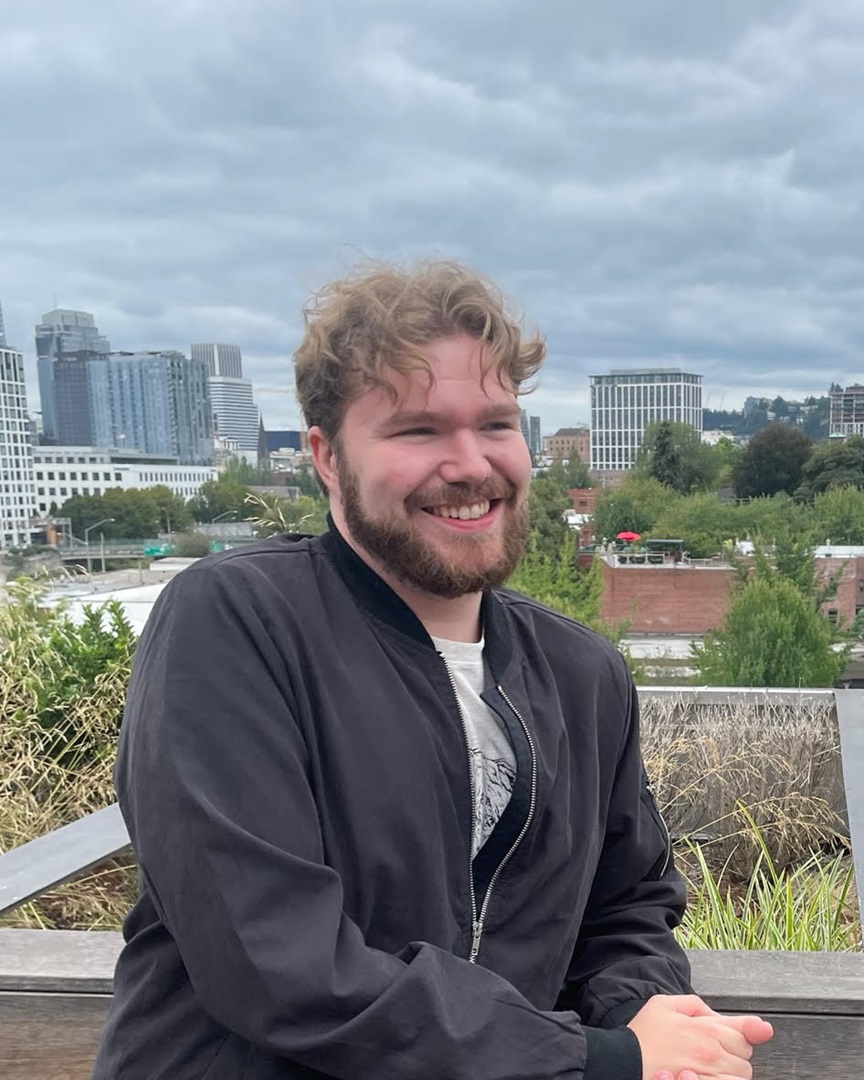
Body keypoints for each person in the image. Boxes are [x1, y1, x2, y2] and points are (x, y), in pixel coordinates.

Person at [91, 262, 773, 1080]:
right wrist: (588, 1061)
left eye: (494, 423)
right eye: (417, 431)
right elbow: (273, 959)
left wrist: (644, 1022)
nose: (469, 464)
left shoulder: (582, 672)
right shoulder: (236, 623)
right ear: (327, 457)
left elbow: (629, 905)